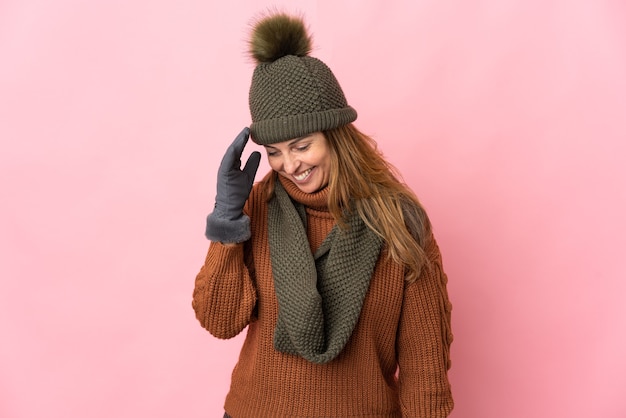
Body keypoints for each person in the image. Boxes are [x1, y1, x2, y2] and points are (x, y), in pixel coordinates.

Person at [192, 12, 454, 418]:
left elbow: (425, 364)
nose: (289, 165)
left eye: (301, 146)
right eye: (274, 152)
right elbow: (219, 320)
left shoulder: (398, 222)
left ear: (334, 136)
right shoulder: (257, 208)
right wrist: (226, 221)